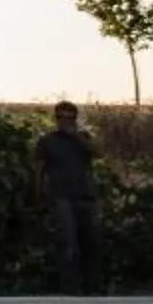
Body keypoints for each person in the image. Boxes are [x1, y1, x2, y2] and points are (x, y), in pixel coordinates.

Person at [35, 100, 104, 294]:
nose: (64, 121)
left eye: (69, 117)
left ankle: (93, 288)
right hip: (61, 196)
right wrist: (39, 194)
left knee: (91, 243)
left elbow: (97, 152)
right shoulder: (47, 141)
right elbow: (39, 169)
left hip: (85, 195)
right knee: (67, 242)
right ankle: (70, 289)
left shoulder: (83, 138)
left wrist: (76, 137)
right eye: (60, 117)